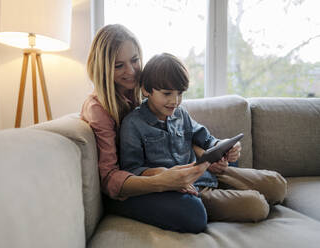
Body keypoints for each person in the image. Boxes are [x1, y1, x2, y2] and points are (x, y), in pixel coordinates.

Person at [119, 53, 287, 231]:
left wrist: (225, 147)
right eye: (167, 93)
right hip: (191, 190)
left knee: (277, 185)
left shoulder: (181, 114)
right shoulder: (133, 124)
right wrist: (161, 174)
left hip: (211, 173)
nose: (175, 101)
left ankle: (243, 191)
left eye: (180, 93)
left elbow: (207, 140)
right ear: (146, 90)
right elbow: (132, 170)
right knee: (257, 206)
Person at [81, 25, 211, 233]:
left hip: (157, 174)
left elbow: (181, 130)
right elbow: (109, 179)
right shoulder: (99, 109)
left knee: (225, 158)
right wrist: (161, 181)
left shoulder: (140, 93)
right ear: (103, 68)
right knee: (193, 213)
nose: (131, 71)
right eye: (119, 65)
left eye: (134, 60)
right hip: (126, 191)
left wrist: (199, 153)